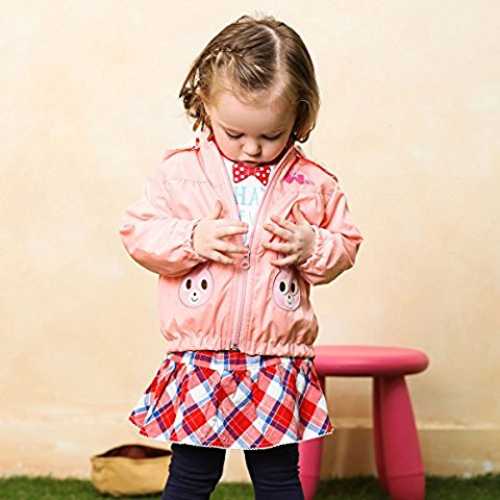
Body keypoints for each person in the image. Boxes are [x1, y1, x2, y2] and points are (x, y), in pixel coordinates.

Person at [118, 13, 364, 500]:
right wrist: (192, 238)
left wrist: (313, 245)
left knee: (278, 477)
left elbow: (346, 244)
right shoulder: (179, 173)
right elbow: (138, 232)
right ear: (205, 105)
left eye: (271, 135)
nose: (252, 149)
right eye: (234, 133)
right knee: (191, 475)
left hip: (277, 356)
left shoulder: (315, 184)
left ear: (299, 117)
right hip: (201, 354)